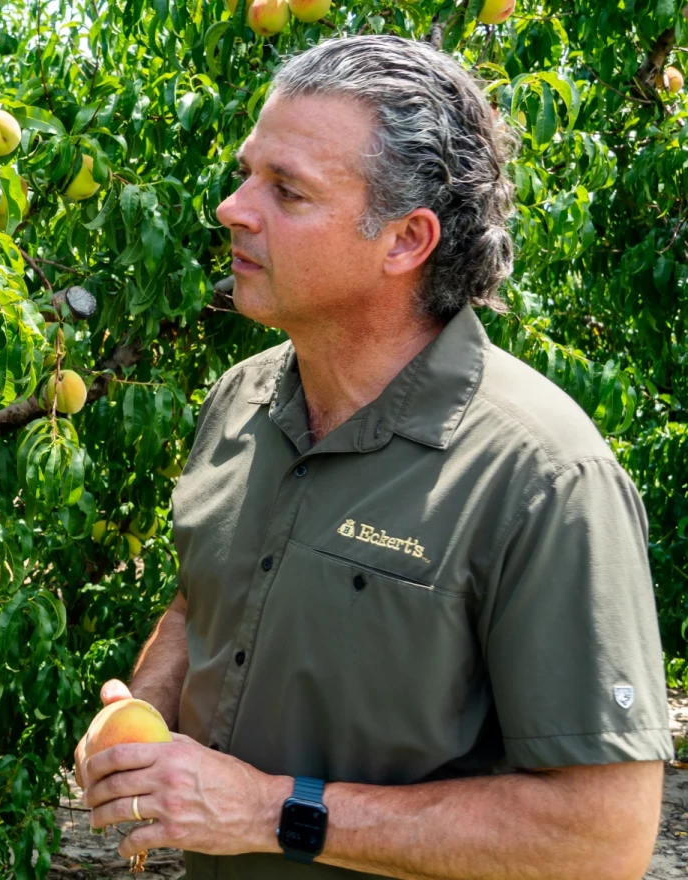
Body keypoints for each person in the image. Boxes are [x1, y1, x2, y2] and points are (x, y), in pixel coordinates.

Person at [73, 34, 673, 879]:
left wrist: (265, 811)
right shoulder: (243, 400)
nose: (233, 209)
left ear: (404, 240)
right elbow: (204, 595)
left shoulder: (542, 478)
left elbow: (598, 838)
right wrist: (144, 710)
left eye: (286, 190)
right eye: (248, 174)